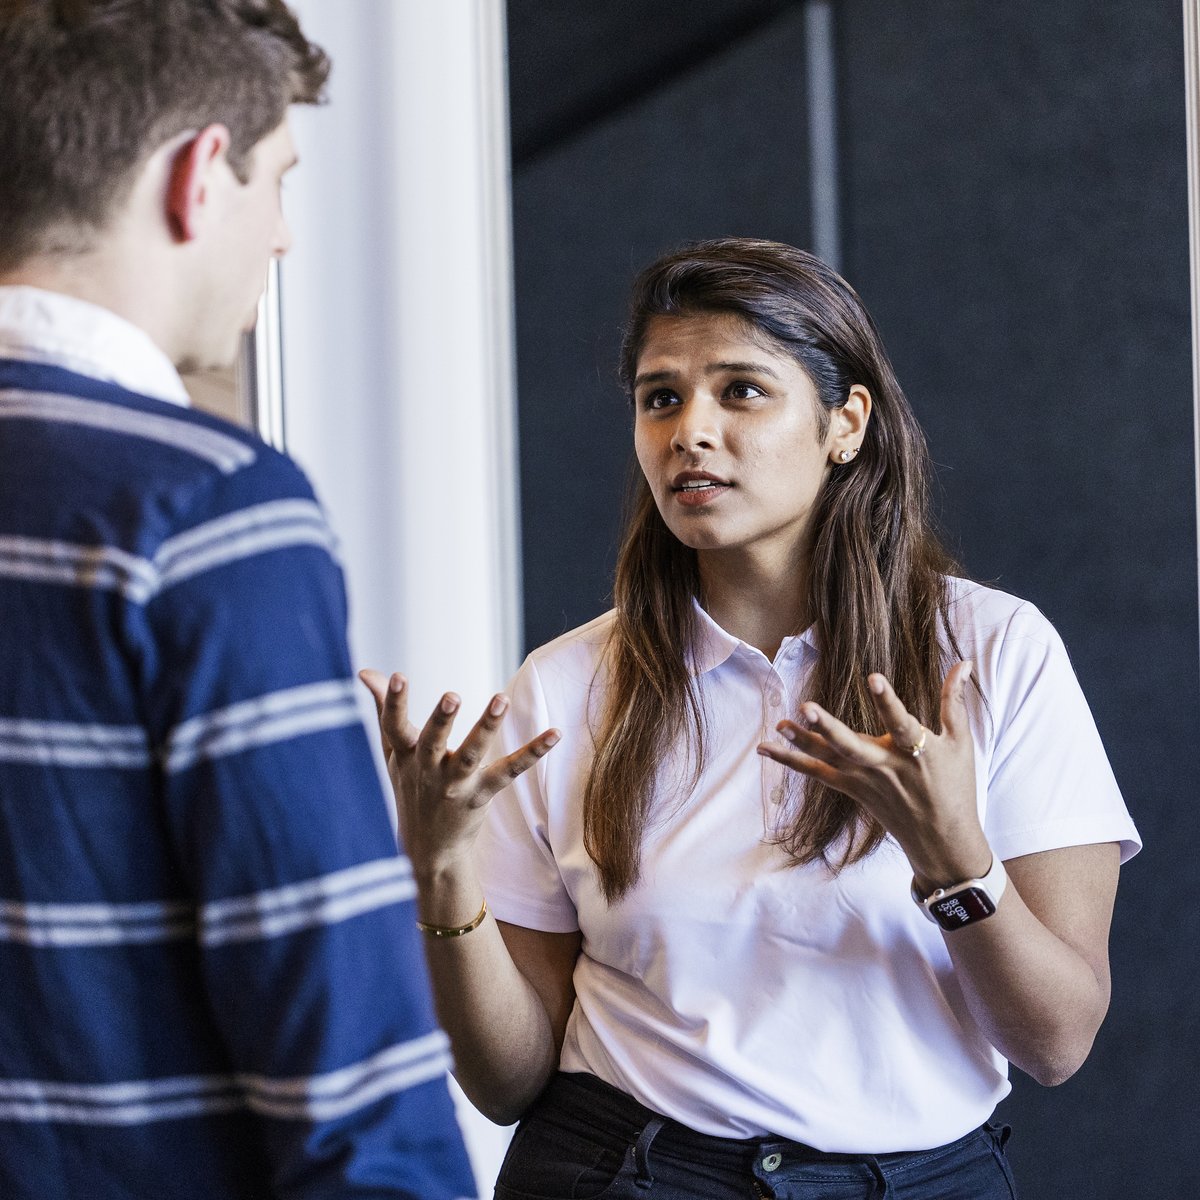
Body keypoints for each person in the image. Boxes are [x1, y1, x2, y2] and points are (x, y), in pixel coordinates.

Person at [362, 238, 1141, 1199]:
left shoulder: (994, 654)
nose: (690, 431)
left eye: (741, 390)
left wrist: (954, 862)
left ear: (844, 423)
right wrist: (439, 871)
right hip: (625, 1172)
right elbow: (505, 1083)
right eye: (661, 398)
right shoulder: (564, 686)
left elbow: (1057, 1042)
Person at [0, 2, 476, 1197]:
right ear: (199, 175)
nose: (282, 239)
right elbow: (343, 1046)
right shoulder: (207, 510)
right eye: (277, 182)